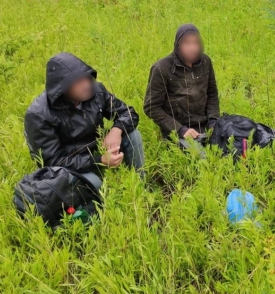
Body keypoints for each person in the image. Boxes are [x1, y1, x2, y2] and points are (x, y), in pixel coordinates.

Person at [24, 53, 144, 188]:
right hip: (70, 162)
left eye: (87, 78)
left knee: (133, 135)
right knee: (95, 184)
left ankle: (140, 184)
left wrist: (117, 129)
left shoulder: (96, 91)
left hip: (97, 146)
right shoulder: (39, 115)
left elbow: (129, 113)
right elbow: (52, 161)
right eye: (79, 82)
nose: (87, 85)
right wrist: (99, 160)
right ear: (62, 87)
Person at [144, 24, 220, 151]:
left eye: (196, 43)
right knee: (201, 157)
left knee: (234, 147)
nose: (192, 48)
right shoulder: (162, 68)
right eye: (187, 43)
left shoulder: (205, 62)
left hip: (205, 126)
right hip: (177, 131)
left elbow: (212, 94)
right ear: (177, 45)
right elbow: (151, 107)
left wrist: (214, 121)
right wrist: (180, 129)